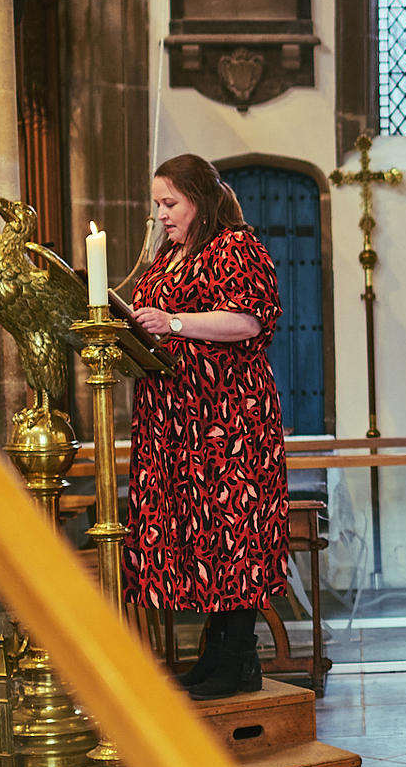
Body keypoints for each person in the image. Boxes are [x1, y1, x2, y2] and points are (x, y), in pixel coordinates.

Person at [123, 154, 290, 701]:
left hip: (228, 416)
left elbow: (249, 319)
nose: (162, 214)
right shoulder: (168, 255)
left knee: (234, 531)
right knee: (201, 534)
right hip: (175, 422)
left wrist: (173, 322)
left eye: (170, 203)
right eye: (158, 204)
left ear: (198, 198)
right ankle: (219, 656)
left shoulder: (235, 245)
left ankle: (236, 658)